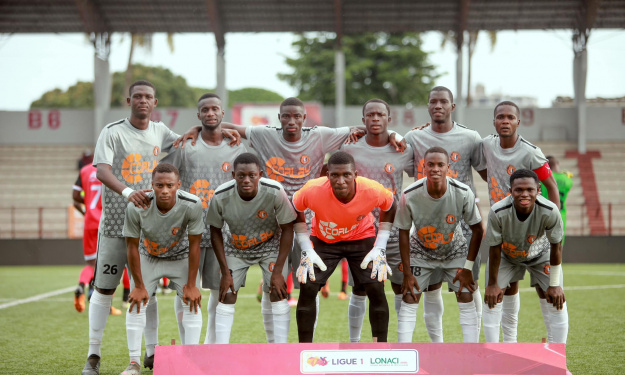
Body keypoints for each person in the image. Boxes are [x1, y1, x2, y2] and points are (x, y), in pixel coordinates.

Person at [178, 96, 404, 342]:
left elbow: (365, 128)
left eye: (297, 116)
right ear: (279, 118)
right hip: (281, 221)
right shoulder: (268, 137)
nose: (292, 121)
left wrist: (395, 135)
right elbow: (221, 124)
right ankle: (288, 348)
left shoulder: (322, 138)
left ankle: (358, 344)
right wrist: (198, 127)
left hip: (320, 224)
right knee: (288, 286)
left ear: (305, 118)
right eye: (286, 116)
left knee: (331, 285)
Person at [82, 80, 239, 374]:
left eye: (149, 97)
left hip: (151, 227)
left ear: (155, 103)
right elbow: (102, 170)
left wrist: (211, 130)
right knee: (104, 289)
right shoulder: (112, 131)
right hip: (118, 223)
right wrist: (129, 193)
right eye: (137, 96)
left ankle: (151, 353)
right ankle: (93, 354)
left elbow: (190, 137)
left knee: (146, 289)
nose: (143, 101)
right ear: (128, 100)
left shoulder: (161, 131)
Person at [161, 93, 247, 344]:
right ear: (198, 116)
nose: (210, 113)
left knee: (219, 290)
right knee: (184, 290)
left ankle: (209, 348)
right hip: (187, 232)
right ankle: (188, 346)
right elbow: (165, 178)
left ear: (222, 114)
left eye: (215, 109)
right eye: (205, 110)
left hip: (222, 231)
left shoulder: (236, 146)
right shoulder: (185, 145)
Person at [403, 86, 486, 342]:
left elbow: (486, 172)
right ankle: (437, 346)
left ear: (452, 106)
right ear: (428, 107)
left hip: (463, 222)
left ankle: (474, 344)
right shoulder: (414, 138)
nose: (438, 106)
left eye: (443, 102)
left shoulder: (471, 137)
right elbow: (403, 168)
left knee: (469, 284)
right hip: (427, 222)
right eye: (433, 102)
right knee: (430, 286)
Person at [292, 151, 396, 343]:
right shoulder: (312, 189)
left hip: (361, 237)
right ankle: (303, 349)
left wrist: (380, 246)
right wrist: (306, 247)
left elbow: (390, 206)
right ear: (327, 174)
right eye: (335, 175)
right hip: (324, 240)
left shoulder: (372, 190)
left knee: (376, 286)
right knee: (308, 286)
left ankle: (379, 348)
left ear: (355, 174)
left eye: (346, 175)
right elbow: (295, 207)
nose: (341, 180)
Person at [479, 100, 561, 343]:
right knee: (509, 286)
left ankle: (554, 346)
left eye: (510, 117)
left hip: (532, 225)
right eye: (500, 117)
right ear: (494, 122)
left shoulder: (530, 151)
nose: (505, 121)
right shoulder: (486, 145)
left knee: (545, 289)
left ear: (518, 122)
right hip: (503, 223)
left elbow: (551, 186)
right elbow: (486, 170)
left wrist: (551, 218)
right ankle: (510, 345)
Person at [341, 98, 414, 342]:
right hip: (360, 231)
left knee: (399, 286)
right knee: (360, 288)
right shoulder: (350, 149)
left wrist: (396, 134)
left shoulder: (402, 149)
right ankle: (354, 343)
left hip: (394, 230)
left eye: (380, 115)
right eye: (370, 115)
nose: (375, 118)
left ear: (388, 120)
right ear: (362, 120)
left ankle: (403, 344)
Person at [121, 163, 204, 375]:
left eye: (169, 185)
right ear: (152, 185)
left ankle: (192, 360)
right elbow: (131, 246)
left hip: (181, 256)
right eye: (159, 185)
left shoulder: (192, 204)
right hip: (149, 256)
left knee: (192, 300)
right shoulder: (136, 206)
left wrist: (192, 284)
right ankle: (133, 364)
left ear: (178, 185)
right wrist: (139, 285)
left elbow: (195, 244)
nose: (164, 190)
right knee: (137, 302)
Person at [395, 147, 483, 343]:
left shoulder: (462, 192)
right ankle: (403, 354)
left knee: (465, 294)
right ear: (423, 166)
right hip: (421, 251)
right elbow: (403, 231)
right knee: (409, 296)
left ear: (448, 167)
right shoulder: (409, 194)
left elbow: (477, 229)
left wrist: (468, 268)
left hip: (455, 251)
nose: (435, 168)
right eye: (431, 164)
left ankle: (472, 352)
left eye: (440, 164)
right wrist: (407, 273)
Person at [206, 153, 296, 344]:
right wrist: (224, 272)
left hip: (270, 246)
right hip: (236, 249)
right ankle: (221, 351)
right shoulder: (220, 196)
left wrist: (279, 271)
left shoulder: (274, 191)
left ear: (260, 174)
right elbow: (215, 231)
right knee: (227, 294)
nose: (246, 180)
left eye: (252, 175)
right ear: (233, 175)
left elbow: (288, 228)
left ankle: (278, 350)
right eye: (241, 175)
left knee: (277, 292)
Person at [483, 169, 568, 344]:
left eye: (530, 190)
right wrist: (492, 284)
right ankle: (499, 353)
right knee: (492, 300)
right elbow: (494, 248)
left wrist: (554, 284)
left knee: (557, 300)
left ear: (538, 189)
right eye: (519, 190)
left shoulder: (550, 210)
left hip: (540, 254)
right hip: (507, 255)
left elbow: (556, 245)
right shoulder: (498, 211)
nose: (524, 194)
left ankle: (557, 356)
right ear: (510, 191)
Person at [72, 163, 123, 315]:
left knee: (90, 264)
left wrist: (86, 209)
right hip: (108, 222)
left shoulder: (85, 170)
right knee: (110, 265)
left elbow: (75, 196)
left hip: (90, 222)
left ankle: (82, 286)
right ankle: (107, 305)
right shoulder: (113, 169)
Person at [541, 156, 573, 244]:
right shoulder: (566, 179)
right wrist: (566, 176)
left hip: (545, 214)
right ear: (557, 164)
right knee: (559, 245)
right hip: (561, 215)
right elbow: (570, 183)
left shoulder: (545, 177)